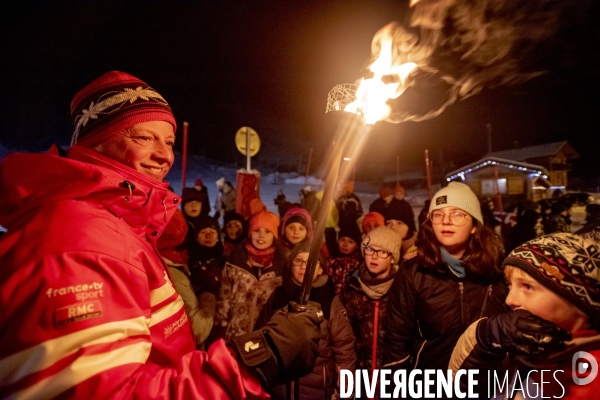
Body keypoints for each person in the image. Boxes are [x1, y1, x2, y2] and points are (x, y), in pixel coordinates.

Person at [0, 71, 320, 398]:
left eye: (168, 142)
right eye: (143, 137)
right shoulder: (80, 238)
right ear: (96, 141)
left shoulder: (117, 227)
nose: (165, 155)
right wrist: (254, 364)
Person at [449, 233, 600, 399]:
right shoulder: (520, 353)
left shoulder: (589, 378)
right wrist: (485, 340)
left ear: (577, 300)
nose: (510, 300)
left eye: (528, 287)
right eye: (509, 285)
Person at [382, 182, 508, 379]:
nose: (446, 221)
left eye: (458, 214)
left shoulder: (496, 271)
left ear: (475, 226)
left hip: (484, 384)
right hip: (429, 384)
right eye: (438, 214)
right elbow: (396, 339)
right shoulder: (414, 272)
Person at [257, 243, 357, 400]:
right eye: (298, 261)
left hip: (315, 390)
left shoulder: (329, 300)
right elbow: (261, 337)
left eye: (311, 261)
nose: (304, 266)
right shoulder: (278, 296)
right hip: (279, 388)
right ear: (290, 265)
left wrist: (345, 392)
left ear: (320, 269)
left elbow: (344, 350)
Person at [213, 210, 288, 341]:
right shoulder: (236, 260)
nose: (261, 236)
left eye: (267, 231)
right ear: (250, 233)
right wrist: (221, 324)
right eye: (257, 230)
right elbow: (224, 294)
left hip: (266, 333)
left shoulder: (281, 266)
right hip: (236, 331)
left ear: (274, 236)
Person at [340, 226, 402, 376]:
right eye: (370, 249)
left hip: (393, 376)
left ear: (392, 258)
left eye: (382, 251)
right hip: (359, 374)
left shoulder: (402, 290)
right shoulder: (351, 289)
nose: (374, 256)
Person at [157, 209, 216, 349]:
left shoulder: (150, 262)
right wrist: (208, 293)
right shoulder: (174, 274)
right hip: (182, 356)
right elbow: (198, 330)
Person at [324, 222, 363, 295]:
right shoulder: (330, 261)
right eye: (342, 240)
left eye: (350, 242)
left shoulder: (359, 265)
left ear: (357, 245)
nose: (345, 244)